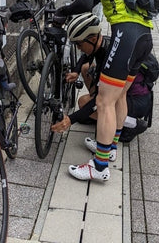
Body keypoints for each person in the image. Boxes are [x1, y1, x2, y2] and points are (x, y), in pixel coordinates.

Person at [46, 0, 153, 182]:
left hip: (127, 33)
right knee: (120, 95)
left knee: (105, 100)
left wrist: (62, 12)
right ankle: (110, 148)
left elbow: (84, 1)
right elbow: (90, 2)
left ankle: (100, 166)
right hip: (144, 35)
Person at [51, 13, 151, 155]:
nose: (78, 48)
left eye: (79, 44)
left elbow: (99, 102)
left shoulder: (108, 57)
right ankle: (105, 121)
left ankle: (131, 124)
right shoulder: (103, 44)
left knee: (86, 103)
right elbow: (86, 56)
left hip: (136, 100)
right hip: (126, 93)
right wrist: (76, 71)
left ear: (92, 38)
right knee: (86, 69)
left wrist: (70, 120)